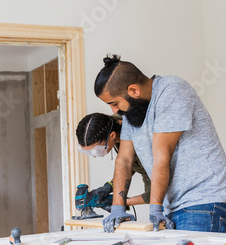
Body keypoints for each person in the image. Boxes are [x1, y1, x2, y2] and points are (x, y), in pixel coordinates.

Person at [94, 54, 226, 233]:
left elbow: (162, 153)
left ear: (133, 90)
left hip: (204, 201)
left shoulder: (171, 91)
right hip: (176, 206)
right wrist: (118, 207)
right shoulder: (132, 113)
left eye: (115, 103)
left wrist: (155, 208)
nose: (114, 110)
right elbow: (124, 159)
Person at [76, 112, 150, 208]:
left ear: (112, 135)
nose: (94, 156)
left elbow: (156, 193)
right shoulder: (112, 125)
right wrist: (109, 186)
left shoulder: (142, 142)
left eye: (96, 150)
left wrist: (120, 202)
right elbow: (130, 164)